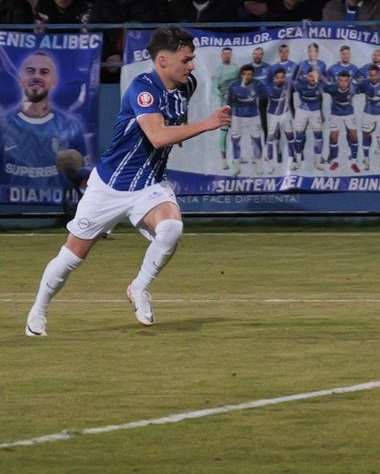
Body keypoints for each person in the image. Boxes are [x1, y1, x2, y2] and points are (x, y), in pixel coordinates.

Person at [24, 27, 231, 336]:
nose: (191, 65)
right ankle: (38, 310)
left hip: (149, 185)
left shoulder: (187, 86)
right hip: (109, 187)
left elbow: (170, 125)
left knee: (172, 227)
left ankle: (139, 287)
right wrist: (208, 124)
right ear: (163, 60)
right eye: (186, 59)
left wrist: (182, 130)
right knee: (71, 258)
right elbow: (158, 136)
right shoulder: (142, 88)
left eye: (192, 59)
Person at [1, 50, 87, 205]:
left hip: (59, 211)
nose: (37, 76)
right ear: (21, 78)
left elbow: (85, 177)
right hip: (9, 210)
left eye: (44, 72)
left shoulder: (71, 125)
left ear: (54, 81)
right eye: (30, 71)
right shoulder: (3, 124)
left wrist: (79, 169)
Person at [226, 63, 264, 175]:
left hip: (253, 116)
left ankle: (258, 166)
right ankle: (236, 166)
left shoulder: (258, 85)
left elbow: (265, 98)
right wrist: (229, 118)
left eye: (249, 74)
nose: (247, 76)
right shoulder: (234, 86)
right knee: (235, 141)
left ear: (252, 75)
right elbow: (229, 103)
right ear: (240, 75)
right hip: (237, 116)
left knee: (256, 140)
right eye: (244, 74)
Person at [356, 64, 380, 172]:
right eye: (370, 75)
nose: (372, 77)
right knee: (366, 134)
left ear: (378, 75)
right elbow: (356, 91)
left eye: (374, 75)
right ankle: (366, 160)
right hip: (368, 112)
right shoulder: (364, 84)